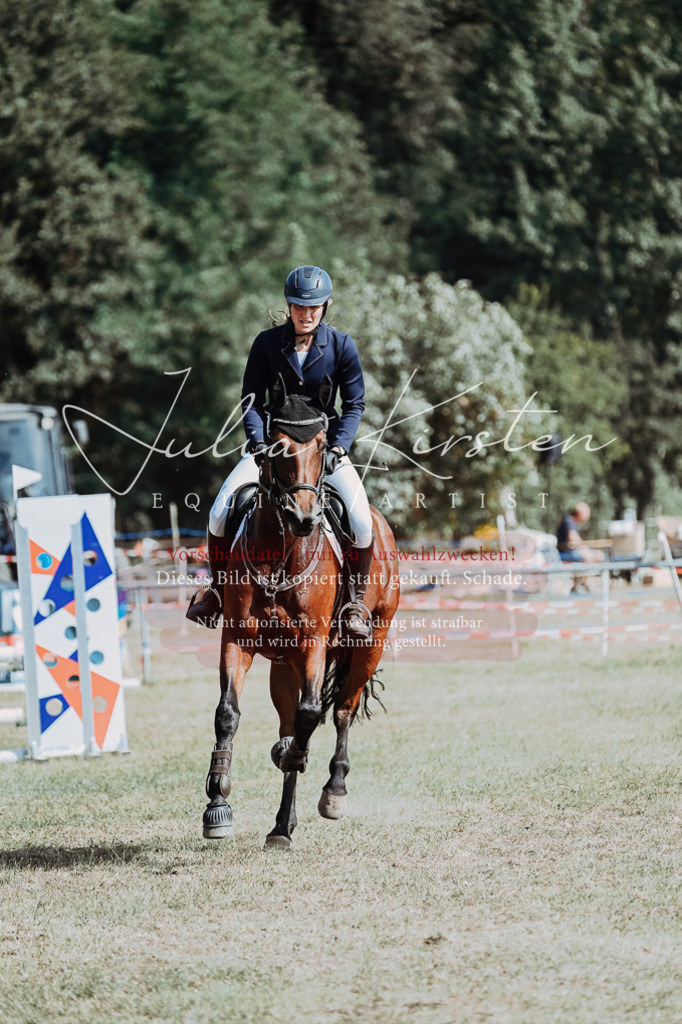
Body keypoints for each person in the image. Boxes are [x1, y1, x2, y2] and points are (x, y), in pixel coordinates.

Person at [186, 265, 375, 638]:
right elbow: (252, 400)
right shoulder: (267, 344)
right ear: (288, 306)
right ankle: (218, 594)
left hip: (323, 447)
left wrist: (339, 445)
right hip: (273, 447)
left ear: (325, 306)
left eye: (315, 308)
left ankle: (354, 603)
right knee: (220, 510)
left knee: (361, 520)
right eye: (299, 307)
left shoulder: (341, 345)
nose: (307, 314)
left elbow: (355, 404)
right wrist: (257, 441)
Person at [556, 502, 604, 592]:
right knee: (593, 557)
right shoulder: (569, 521)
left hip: (569, 551)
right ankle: (581, 584)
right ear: (580, 513)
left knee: (597, 555)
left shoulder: (571, 521)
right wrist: (586, 552)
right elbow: (573, 539)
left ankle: (579, 583)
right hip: (565, 553)